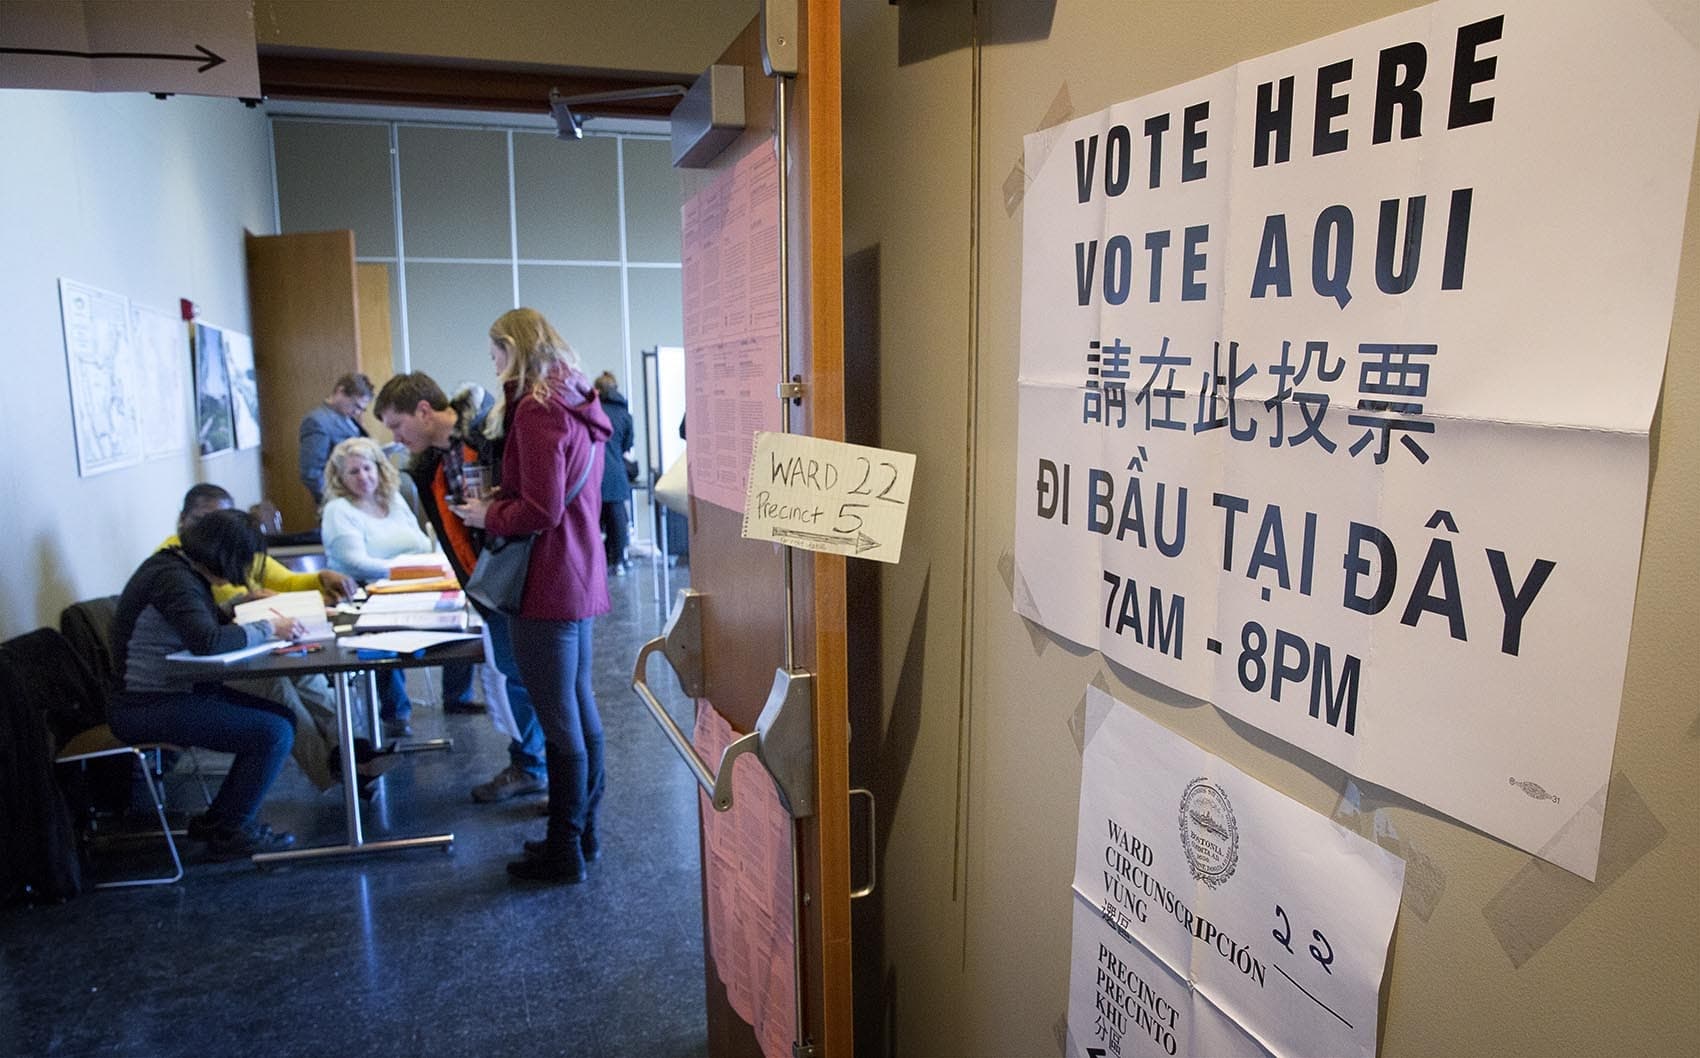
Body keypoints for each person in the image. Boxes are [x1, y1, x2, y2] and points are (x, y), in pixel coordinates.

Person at [453, 307, 610, 883]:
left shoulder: (537, 410)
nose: (492, 368)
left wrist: (486, 510)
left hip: (545, 578)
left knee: (559, 720)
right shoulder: (575, 400)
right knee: (580, 711)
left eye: (495, 355)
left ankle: (564, 848)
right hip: (577, 571)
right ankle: (583, 835)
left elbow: (539, 509)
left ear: (511, 348)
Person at [374, 371, 550, 802]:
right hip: (486, 586)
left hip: (521, 581)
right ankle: (531, 764)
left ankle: (543, 772)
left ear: (424, 411)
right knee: (513, 679)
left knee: (534, 683)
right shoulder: (434, 462)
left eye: (398, 425)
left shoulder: (491, 435)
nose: (395, 438)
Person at [108, 509, 305, 857]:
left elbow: (196, 622)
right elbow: (207, 641)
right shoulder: (173, 579)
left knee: (283, 720)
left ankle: (220, 822)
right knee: (272, 733)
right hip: (145, 704)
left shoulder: (174, 568)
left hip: (170, 693)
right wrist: (269, 628)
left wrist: (236, 606)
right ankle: (231, 831)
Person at [161, 484, 359, 793]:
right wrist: (256, 606)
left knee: (308, 678)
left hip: (245, 647)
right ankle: (337, 774)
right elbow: (219, 620)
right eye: (204, 519)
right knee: (278, 687)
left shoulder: (230, 549)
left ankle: (354, 755)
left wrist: (321, 578)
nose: (214, 529)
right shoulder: (179, 566)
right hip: (209, 665)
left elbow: (284, 581)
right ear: (184, 520)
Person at [321, 435, 433, 738]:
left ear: (379, 468)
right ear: (340, 478)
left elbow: (422, 543)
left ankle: (458, 697)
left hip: (414, 584)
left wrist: (428, 567)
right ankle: (396, 713)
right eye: (353, 472)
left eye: (368, 468)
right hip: (364, 594)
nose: (363, 477)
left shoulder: (393, 499)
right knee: (386, 634)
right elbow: (356, 563)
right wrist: (406, 570)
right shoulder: (338, 510)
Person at [299, 373, 373, 505]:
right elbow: (312, 474)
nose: (357, 412)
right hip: (341, 501)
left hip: (361, 496)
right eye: (355, 405)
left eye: (362, 409)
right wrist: (339, 501)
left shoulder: (347, 417)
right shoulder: (317, 422)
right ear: (340, 391)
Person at [593, 371, 636, 575]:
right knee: (618, 520)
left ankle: (596, 562)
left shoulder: (592, 410)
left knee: (592, 522)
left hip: (593, 474)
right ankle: (618, 561)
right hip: (617, 474)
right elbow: (628, 445)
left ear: (598, 390)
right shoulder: (624, 414)